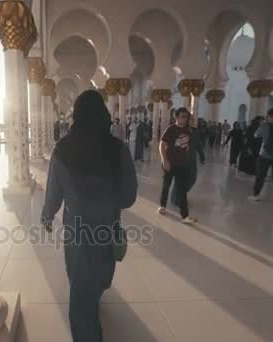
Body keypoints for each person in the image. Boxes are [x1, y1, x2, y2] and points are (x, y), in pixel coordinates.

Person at [41, 90, 137, 342]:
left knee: (80, 287)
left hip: (77, 229)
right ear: (103, 114)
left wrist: (47, 215)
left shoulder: (63, 149)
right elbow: (128, 197)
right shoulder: (119, 149)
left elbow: (54, 189)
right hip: (108, 227)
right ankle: (94, 293)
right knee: (100, 275)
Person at [158, 107, 198, 223]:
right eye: (183, 117)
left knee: (182, 190)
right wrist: (164, 160)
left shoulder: (188, 130)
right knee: (166, 185)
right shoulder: (171, 129)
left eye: (186, 117)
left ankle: (185, 216)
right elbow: (162, 145)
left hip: (182, 165)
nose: (185, 119)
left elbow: (188, 146)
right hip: (170, 163)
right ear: (176, 117)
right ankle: (162, 205)